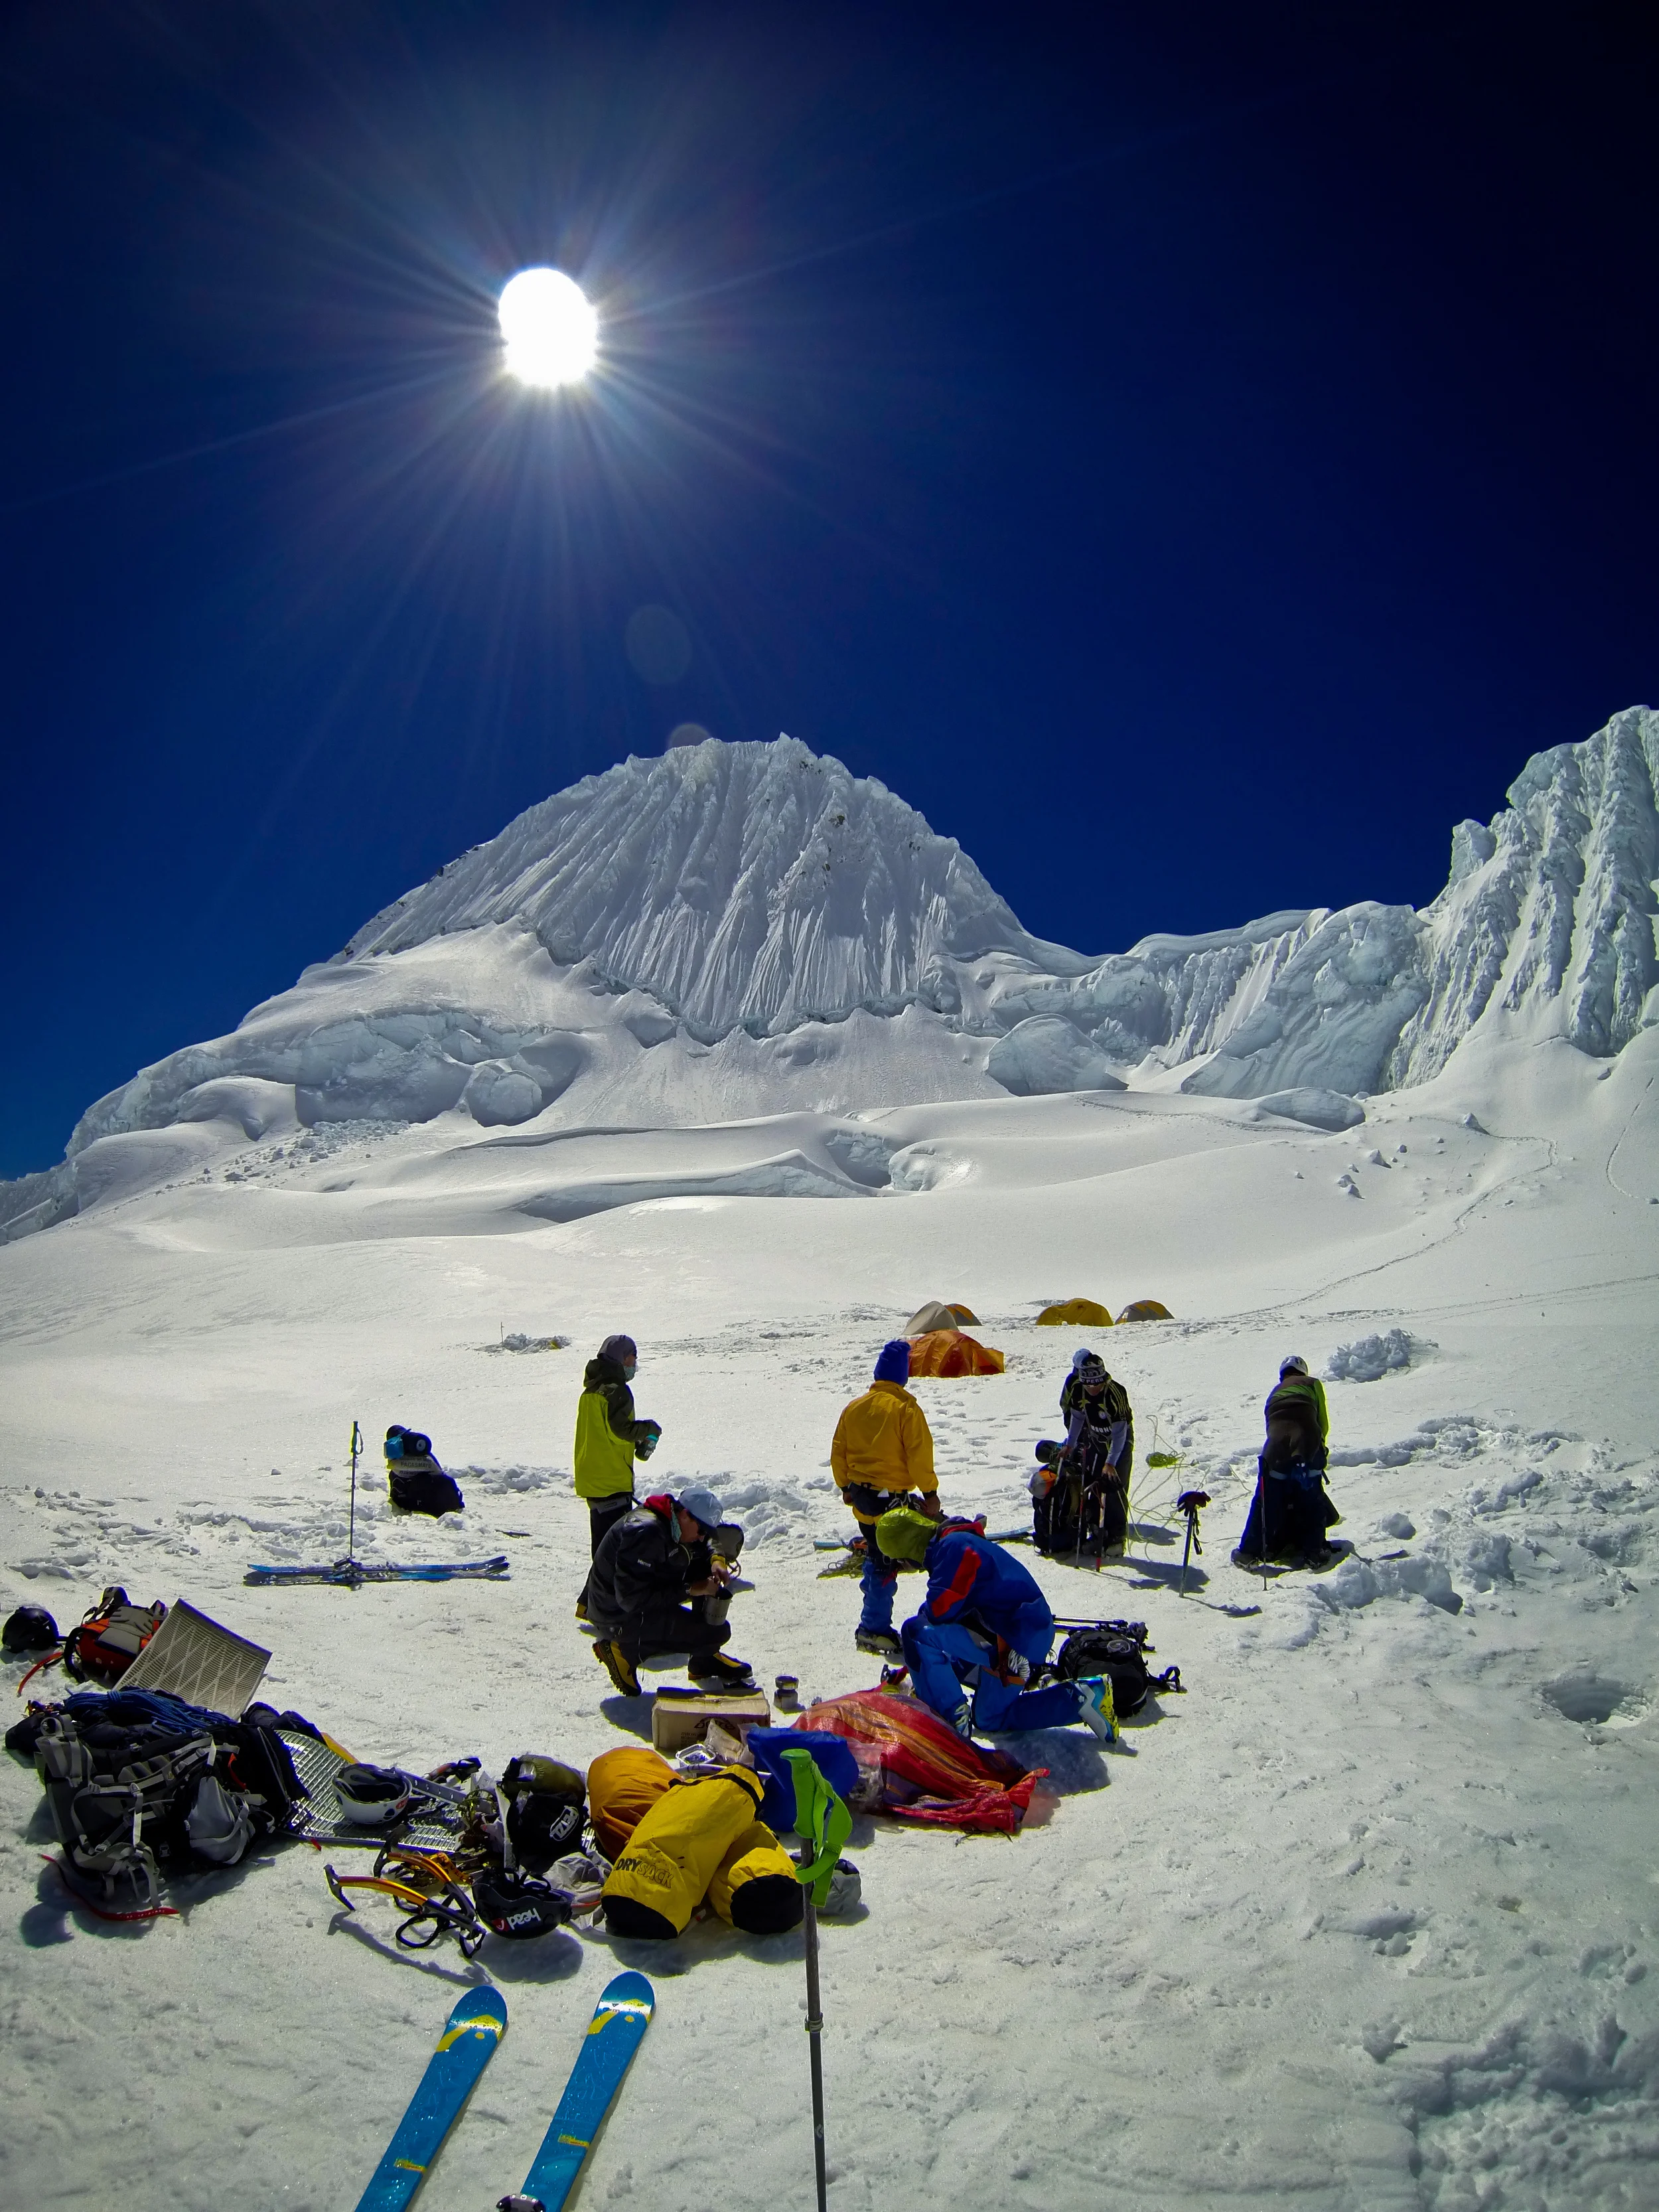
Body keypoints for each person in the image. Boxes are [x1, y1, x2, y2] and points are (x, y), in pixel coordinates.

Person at [875, 1507, 1114, 1741]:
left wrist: (921, 1669)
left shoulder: (953, 1547)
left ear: (909, 1547)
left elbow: (940, 1611)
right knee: (989, 1718)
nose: (904, 1566)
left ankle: (948, 1721)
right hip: (1022, 1637)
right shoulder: (957, 1541)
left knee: (915, 1632)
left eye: (900, 1560)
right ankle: (1082, 1698)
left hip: (1012, 1638)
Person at [830, 1339, 942, 1659]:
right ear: (902, 1375)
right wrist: (930, 1494)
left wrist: (845, 1487)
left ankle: (873, 1618)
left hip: (862, 1501)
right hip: (892, 1504)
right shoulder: (906, 1409)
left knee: (876, 1554)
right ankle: (874, 1629)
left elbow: (839, 1452)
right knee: (888, 1561)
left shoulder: (854, 1408)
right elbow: (919, 1457)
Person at [589, 1483, 755, 1696]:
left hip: (631, 1595)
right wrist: (690, 1589)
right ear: (685, 1515)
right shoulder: (646, 1533)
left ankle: (704, 1660)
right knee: (714, 1633)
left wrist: (717, 1559)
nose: (702, 1537)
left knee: (704, 1565)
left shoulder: (671, 1518)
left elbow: (709, 1539)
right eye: (701, 1530)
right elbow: (631, 1599)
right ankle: (623, 1650)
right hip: (615, 1614)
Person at [573, 1334, 661, 1621]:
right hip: (611, 1479)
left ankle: (588, 1604)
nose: (635, 1363)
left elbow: (606, 1433)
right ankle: (604, 1610)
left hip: (592, 1477)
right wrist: (648, 1430)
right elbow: (621, 1430)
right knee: (615, 1552)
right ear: (620, 1358)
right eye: (632, 1357)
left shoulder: (591, 1391)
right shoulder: (617, 1390)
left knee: (604, 1546)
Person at [1233, 1355, 1341, 1567]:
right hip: (1307, 1445)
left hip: (1274, 1451)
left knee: (1265, 1501)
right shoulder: (1312, 1384)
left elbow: (1271, 1428)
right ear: (1303, 1372)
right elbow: (1322, 1422)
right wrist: (1319, 1447)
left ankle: (1248, 1552)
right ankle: (1314, 1553)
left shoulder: (1274, 1393)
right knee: (1313, 1499)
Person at [1031, 1349, 1134, 1558]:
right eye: (1088, 1385)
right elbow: (1077, 1417)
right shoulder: (1078, 1388)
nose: (1092, 1389)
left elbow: (1120, 1433)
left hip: (1118, 1443)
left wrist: (1111, 1462)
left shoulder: (1115, 1393)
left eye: (1096, 1385)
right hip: (1095, 1440)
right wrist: (1070, 1444)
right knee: (1093, 1483)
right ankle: (1096, 1533)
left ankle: (1116, 1539)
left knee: (1113, 1487)